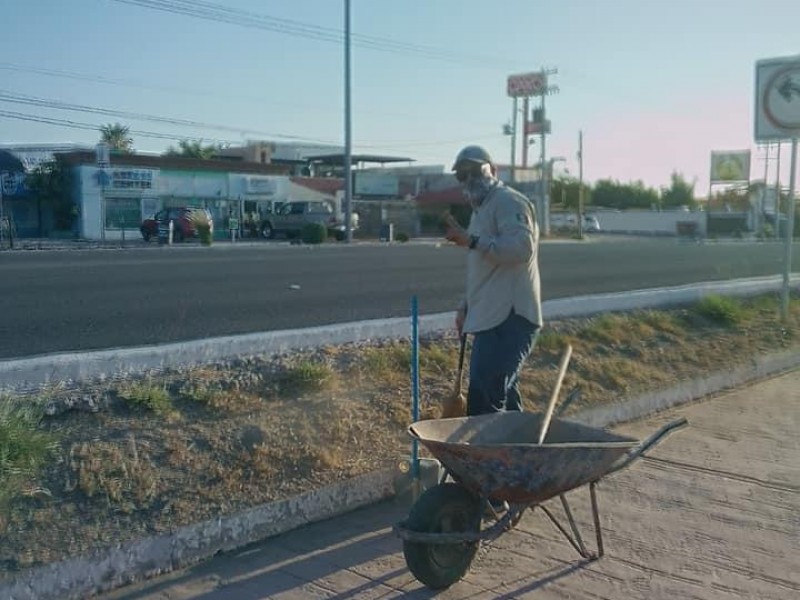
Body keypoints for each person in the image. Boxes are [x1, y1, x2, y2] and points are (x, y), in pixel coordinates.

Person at [444, 145, 542, 417]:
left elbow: (522, 249)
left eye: (476, 171)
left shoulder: (509, 202)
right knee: (504, 399)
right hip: (490, 316)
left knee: (485, 400)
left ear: (493, 170)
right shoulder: (481, 210)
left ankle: (489, 458)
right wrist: (466, 307)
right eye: (462, 176)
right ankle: (518, 455)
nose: (469, 179)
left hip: (509, 317)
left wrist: (471, 240)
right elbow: (485, 269)